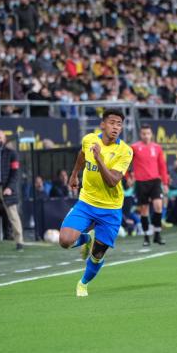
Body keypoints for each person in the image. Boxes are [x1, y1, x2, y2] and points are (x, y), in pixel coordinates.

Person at [58, 109, 133, 297]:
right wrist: (75, 174)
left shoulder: (125, 151)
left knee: (97, 254)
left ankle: (82, 283)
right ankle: (87, 238)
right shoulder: (89, 139)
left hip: (111, 209)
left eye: (119, 124)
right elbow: (82, 154)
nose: (116, 127)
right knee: (65, 241)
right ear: (103, 124)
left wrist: (99, 158)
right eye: (112, 122)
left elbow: (112, 181)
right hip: (86, 202)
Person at [131, 124, 169, 246]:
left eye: (148, 133)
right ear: (140, 134)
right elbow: (125, 162)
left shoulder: (157, 148)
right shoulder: (134, 147)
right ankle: (146, 236)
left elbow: (162, 166)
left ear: (151, 134)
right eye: (143, 133)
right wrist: (129, 176)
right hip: (141, 182)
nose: (146, 136)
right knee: (144, 209)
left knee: (158, 205)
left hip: (155, 181)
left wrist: (165, 182)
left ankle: (157, 234)